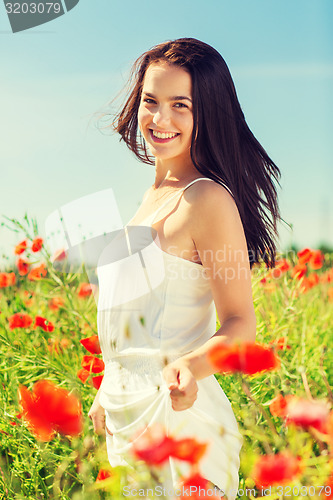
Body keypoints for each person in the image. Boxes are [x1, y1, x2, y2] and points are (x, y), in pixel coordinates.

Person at [88, 38, 281, 499]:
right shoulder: (149, 200)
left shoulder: (206, 199)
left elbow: (240, 322)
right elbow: (134, 332)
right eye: (151, 102)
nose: (161, 119)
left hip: (180, 419)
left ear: (207, 113)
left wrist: (192, 368)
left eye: (181, 105)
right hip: (125, 417)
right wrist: (108, 386)